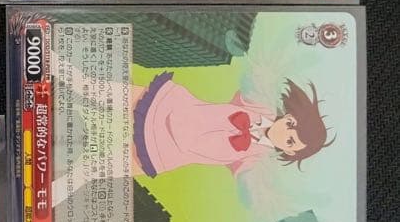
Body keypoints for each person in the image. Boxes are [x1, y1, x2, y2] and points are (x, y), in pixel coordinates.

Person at [132, 75, 333, 178]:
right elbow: (248, 90)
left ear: (289, 150)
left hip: (171, 150)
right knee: (125, 99)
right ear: (288, 116)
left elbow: (246, 176)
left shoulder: (258, 157)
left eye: (290, 140)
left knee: (123, 159)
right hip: (174, 108)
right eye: (289, 124)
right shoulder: (263, 109)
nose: (283, 132)